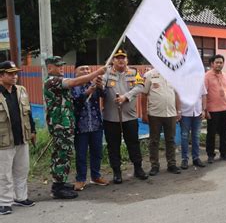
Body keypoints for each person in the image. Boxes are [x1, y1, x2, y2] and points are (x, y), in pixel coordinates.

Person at [44, 56, 105, 199]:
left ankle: (60, 183)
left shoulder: (59, 81)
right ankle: (58, 188)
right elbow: (74, 82)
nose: (61, 68)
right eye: (57, 66)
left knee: (64, 155)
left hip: (66, 125)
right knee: (61, 156)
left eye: (62, 65)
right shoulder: (53, 81)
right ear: (49, 68)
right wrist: (97, 73)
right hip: (60, 125)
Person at [102, 49, 148, 184]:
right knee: (113, 145)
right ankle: (117, 172)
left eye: (123, 58)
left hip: (130, 116)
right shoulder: (106, 73)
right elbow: (100, 86)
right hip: (111, 117)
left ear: (127, 60)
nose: (121, 60)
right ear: (113, 61)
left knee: (133, 143)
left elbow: (141, 86)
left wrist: (126, 97)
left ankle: (138, 168)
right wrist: (98, 83)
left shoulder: (133, 72)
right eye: (117, 58)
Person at [0, 61, 36, 215]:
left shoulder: (21, 90)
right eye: (10, 73)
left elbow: (29, 113)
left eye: (15, 73)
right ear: (1, 75)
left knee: (22, 169)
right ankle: (4, 202)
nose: (15, 76)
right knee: (4, 173)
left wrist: (33, 130)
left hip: (22, 137)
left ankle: (20, 197)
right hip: (4, 140)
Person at [71, 61, 109, 191]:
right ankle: (81, 179)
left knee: (97, 152)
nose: (86, 71)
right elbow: (74, 103)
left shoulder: (94, 84)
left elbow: (105, 96)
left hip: (96, 124)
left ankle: (95, 176)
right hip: (80, 126)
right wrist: (86, 93)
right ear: (75, 72)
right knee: (81, 154)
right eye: (83, 69)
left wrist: (101, 87)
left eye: (88, 69)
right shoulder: (72, 86)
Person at [142, 68, 181, 175]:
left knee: (171, 140)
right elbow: (144, 94)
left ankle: (171, 164)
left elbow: (177, 94)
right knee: (154, 141)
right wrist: (144, 113)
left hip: (171, 113)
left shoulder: (174, 75)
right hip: (155, 114)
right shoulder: (150, 75)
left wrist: (179, 111)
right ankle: (154, 165)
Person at [204, 54, 226, 163]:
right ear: (212, 64)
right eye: (217, 62)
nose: (219, 64)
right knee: (211, 133)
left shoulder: (225, 75)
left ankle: (224, 153)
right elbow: (204, 94)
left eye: (221, 62)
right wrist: (205, 109)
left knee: (224, 132)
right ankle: (210, 155)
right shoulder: (207, 76)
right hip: (212, 110)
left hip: (225, 108)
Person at [179, 83, 207, 169]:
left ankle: (196, 158)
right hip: (185, 113)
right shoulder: (181, 82)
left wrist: (203, 110)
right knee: (184, 136)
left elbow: (204, 96)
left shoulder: (199, 81)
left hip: (197, 113)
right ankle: (184, 159)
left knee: (196, 136)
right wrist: (178, 111)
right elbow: (177, 97)